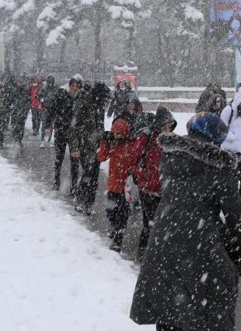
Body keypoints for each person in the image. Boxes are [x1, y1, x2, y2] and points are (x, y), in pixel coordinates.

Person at [129, 113, 241, 331]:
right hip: (198, 244)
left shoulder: (170, 155)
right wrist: (237, 234)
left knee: (167, 308)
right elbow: (234, 214)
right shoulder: (219, 166)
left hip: (164, 237)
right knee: (195, 311)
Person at [130, 106, 177, 263]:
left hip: (164, 189)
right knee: (150, 223)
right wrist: (140, 176)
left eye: (170, 126)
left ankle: (154, 255)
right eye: (165, 126)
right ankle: (144, 255)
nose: (167, 129)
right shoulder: (147, 138)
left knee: (161, 224)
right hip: (148, 188)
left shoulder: (172, 140)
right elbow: (134, 159)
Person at [96, 97, 139, 252]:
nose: (118, 136)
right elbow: (101, 157)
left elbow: (136, 162)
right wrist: (104, 142)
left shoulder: (132, 144)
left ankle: (118, 238)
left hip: (125, 186)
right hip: (113, 184)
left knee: (123, 214)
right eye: (116, 134)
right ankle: (113, 227)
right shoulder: (112, 143)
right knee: (110, 211)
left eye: (121, 134)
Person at [70, 81, 110, 214]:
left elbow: (101, 126)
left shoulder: (100, 106)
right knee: (88, 173)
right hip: (84, 145)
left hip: (96, 146)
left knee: (94, 176)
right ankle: (80, 200)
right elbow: (75, 126)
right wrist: (75, 147)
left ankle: (89, 204)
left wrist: (103, 141)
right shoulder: (84, 103)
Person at [49, 75, 82, 190]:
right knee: (59, 157)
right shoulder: (62, 94)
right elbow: (52, 109)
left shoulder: (81, 98)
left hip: (75, 133)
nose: (74, 88)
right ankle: (56, 180)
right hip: (61, 130)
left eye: (76, 86)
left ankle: (74, 185)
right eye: (72, 86)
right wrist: (50, 124)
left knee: (75, 160)